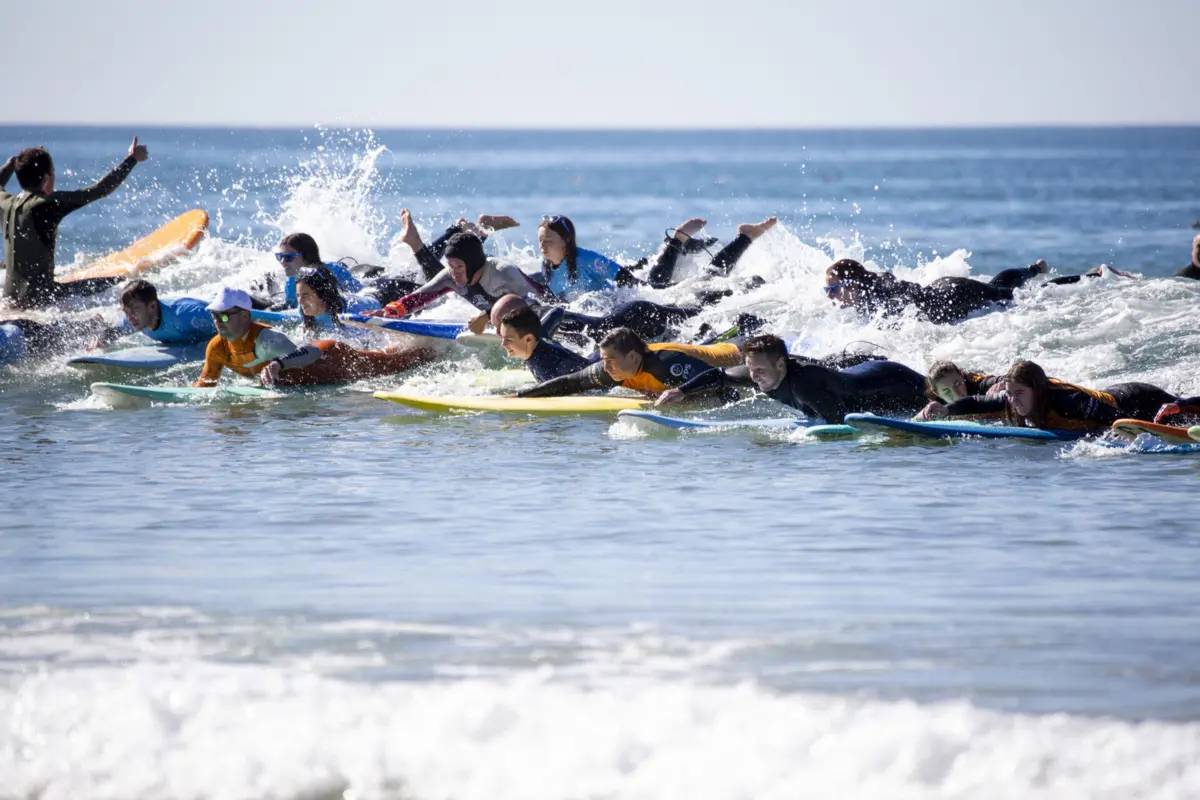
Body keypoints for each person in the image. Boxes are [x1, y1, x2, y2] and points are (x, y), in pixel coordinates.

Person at [544, 216, 778, 344]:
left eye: (549, 241)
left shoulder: (587, 259)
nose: (542, 247)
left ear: (566, 241)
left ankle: (743, 239)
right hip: (619, 308)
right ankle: (682, 240)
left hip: (634, 301)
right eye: (541, 241)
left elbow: (625, 279)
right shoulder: (548, 267)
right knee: (674, 280)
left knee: (704, 281)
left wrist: (648, 295)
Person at [1, 137, 148, 308]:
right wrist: (132, 159)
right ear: (47, 178)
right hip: (41, 301)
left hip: (9, 302)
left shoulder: (7, 205)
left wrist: (13, 163)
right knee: (120, 283)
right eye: (54, 172)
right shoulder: (45, 205)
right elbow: (100, 189)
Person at [655, 334, 926, 423]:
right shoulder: (758, 373)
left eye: (759, 369)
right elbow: (719, 375)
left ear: (781, 364)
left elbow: (841, 423)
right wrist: (682, 391)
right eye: (750, 368)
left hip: (894, 383)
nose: (754, 375)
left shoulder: (805, 384)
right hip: (863, 373)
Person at [367, 226, 549, 332]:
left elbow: (533, 305)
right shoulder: (450, 276)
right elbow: (419, 297)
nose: (454, 273)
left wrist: (486, 317)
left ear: (475, 264)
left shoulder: (503, 273)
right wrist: (388, 312)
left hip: (548, 303)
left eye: (459, 267)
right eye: (451, 266)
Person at [921, 360, 1181, 433]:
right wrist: (946, 411)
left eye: (1020, 393)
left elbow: (1118, 420)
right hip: (1123, 402)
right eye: (1010, 394)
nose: (1013, 400)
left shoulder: (1067, 400)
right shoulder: (1011, 398)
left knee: (1184, 410)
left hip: (1139, 400)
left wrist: (1151, 433)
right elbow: (977, 402)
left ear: (1038, 390)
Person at [823, 258, 1098, 325]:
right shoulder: (869, 294)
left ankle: (1093, 276)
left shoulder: (877, 293)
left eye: (834, 289)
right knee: (998, 288)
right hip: (943, 288)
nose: (831, 297)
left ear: (852, 284)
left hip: (953, 296)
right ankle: (1033, 269)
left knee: (1017, 297)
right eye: (828, 291)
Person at [516, 327, 738, 398]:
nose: (606, 367)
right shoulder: (611, 370)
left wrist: (684, 393)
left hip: (739, 353)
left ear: (632, 356)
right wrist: (521, 396)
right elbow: (569, 383)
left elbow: (723, 382)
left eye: (610, 360)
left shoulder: (666, 365)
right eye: (604, 361)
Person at [92, 279, 214, 348]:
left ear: (152, 306)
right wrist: (101, 341)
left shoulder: (186, 315)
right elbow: (116, 332)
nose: (129, 317)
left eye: (134, 310)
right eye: (126, 312)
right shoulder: (132, 320)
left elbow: (226, 319)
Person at [0, 316, 109, 365]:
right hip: (14, 333)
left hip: (22, 334)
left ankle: (93, 324)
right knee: (55, 333)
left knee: (62, 338)